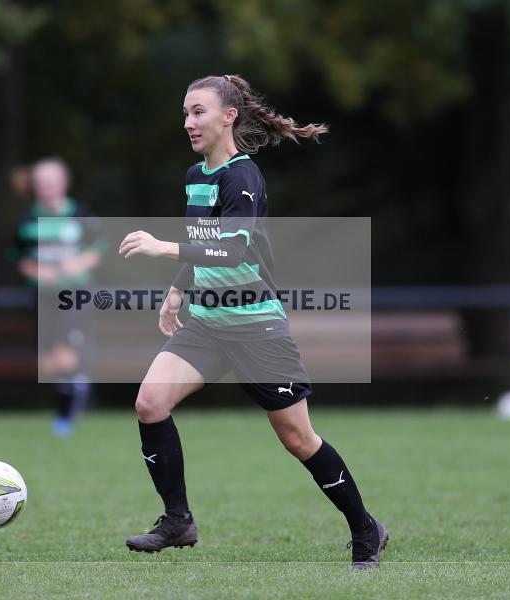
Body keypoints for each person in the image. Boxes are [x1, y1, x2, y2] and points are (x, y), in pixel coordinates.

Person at [117, 75, 388, 569]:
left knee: (298, 439)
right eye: (185, 113)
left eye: (198, 112)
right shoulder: (195, 176)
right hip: (207, 322)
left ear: (228, 116)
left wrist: (164, 247)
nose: (188, 122)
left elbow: (234, 246)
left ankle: (366, 529)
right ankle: (177, 520)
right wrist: (178, 289)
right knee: (150, 402)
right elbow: (204, 241)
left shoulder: (244, 177)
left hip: (255, 325)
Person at [13, 158, 105, 436]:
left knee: (65, 356)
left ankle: (64, 418)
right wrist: (39, 272)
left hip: (74, 295)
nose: (47, 189)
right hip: (43, 299)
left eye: (51, 183)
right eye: (41, 184)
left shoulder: (80, 214)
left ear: (63, 184)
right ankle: (76, 385)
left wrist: (76, 265)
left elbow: (97, 250)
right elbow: (20, 259)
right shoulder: (27, 221)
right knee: (50, 362)